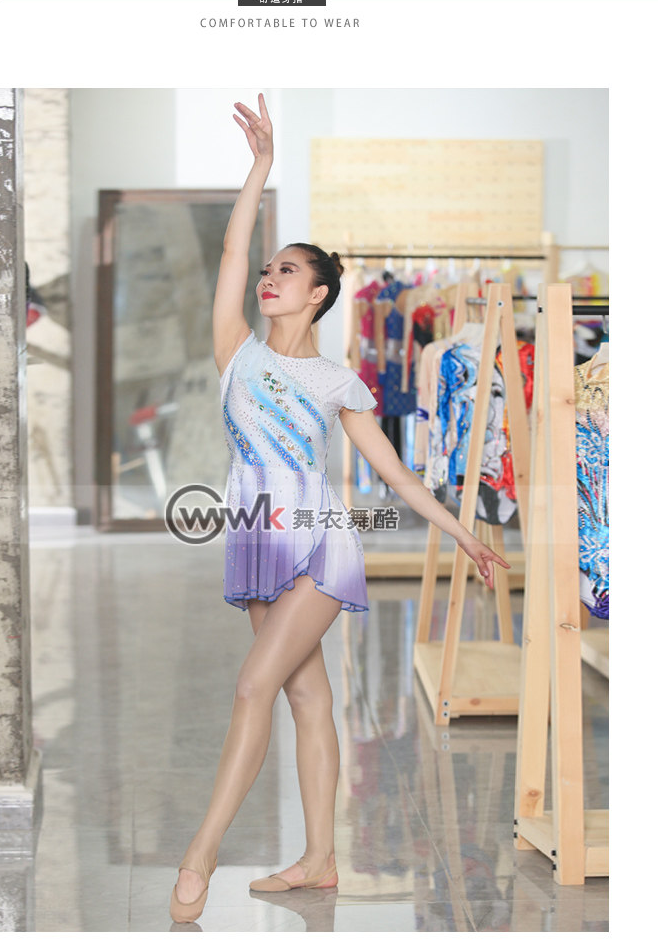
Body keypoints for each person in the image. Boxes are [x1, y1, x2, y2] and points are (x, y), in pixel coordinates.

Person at [169, 94, 510, 924]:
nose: (268, 276)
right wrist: (260, 166)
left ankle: (201, 850)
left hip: (320, 544)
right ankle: (320, 859)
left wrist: (464, 532)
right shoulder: (235, 351)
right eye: (269, 268)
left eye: (287, 271)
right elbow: (231, 248)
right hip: (255, 539)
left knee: (253, 686)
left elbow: (397, 476)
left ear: (318, 294)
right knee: (304, 697)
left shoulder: (337, 381)